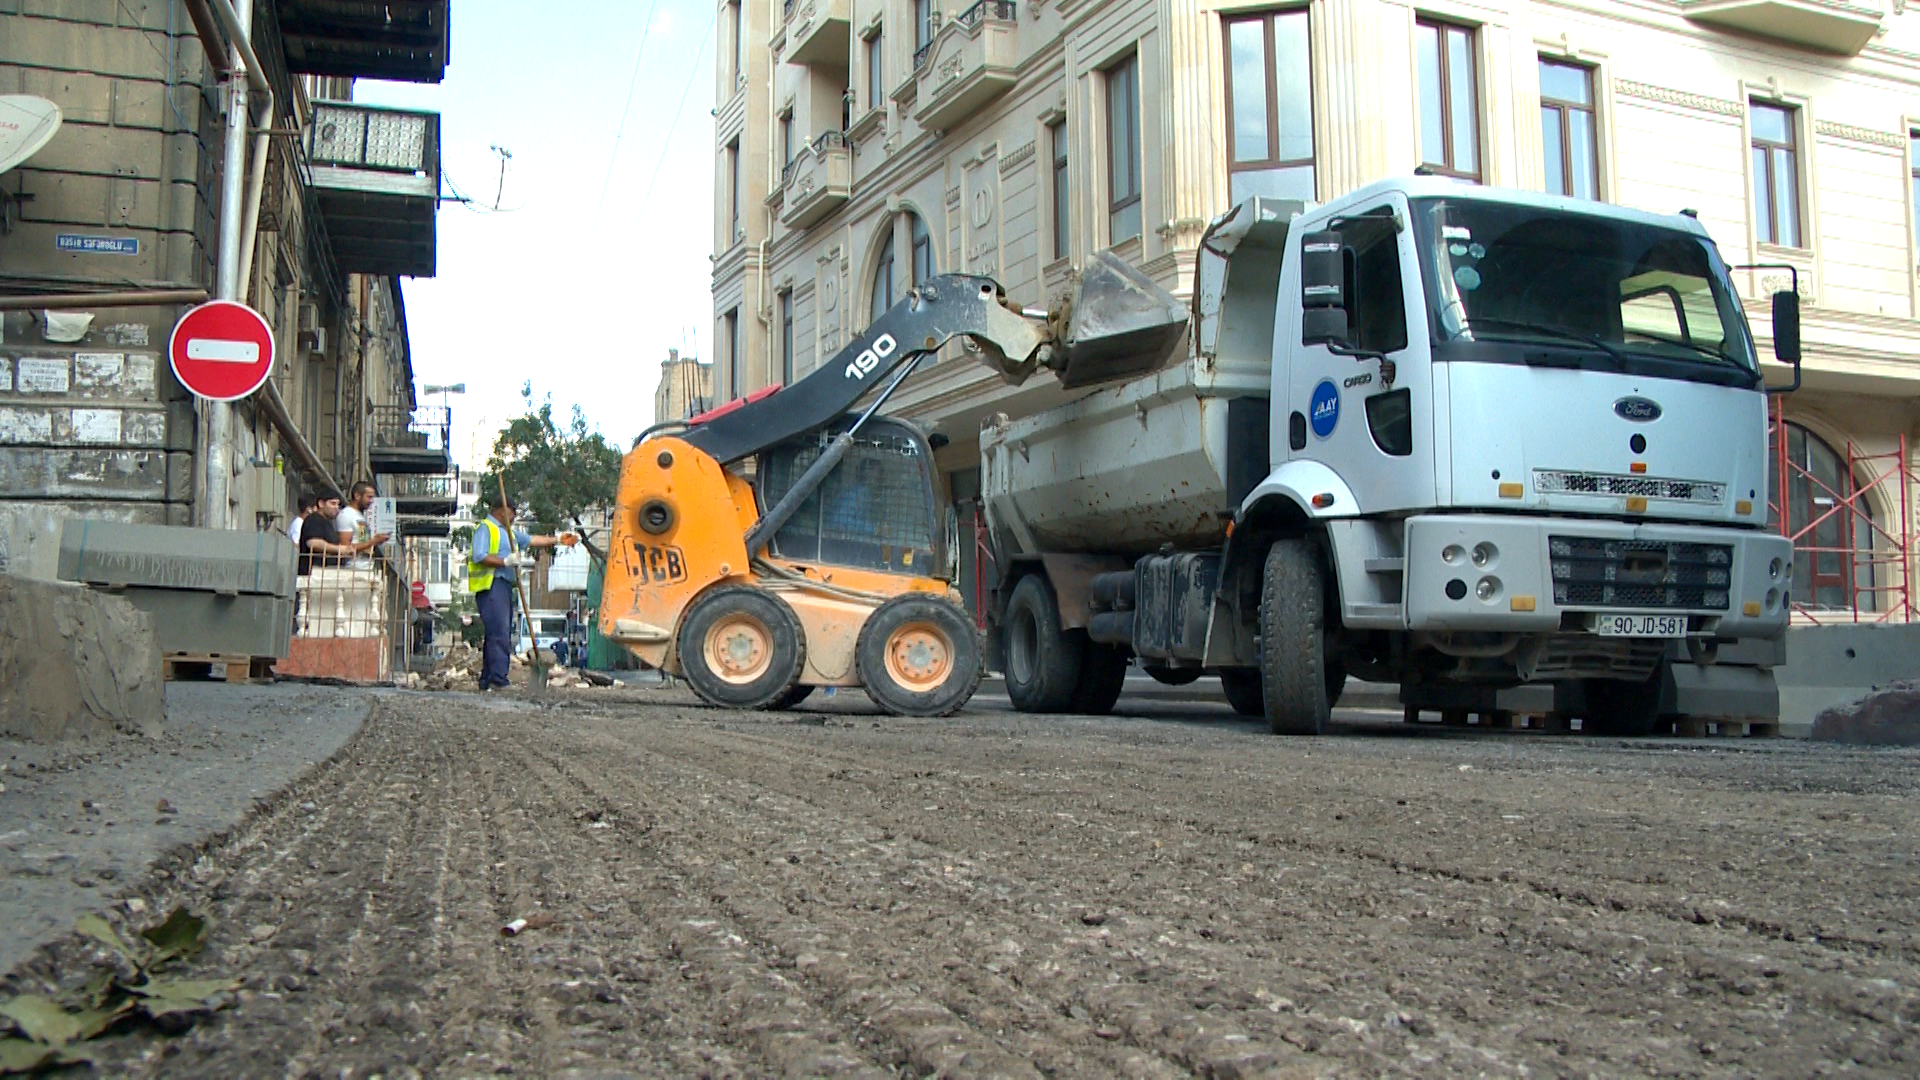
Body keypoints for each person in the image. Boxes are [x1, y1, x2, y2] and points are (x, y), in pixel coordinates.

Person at [468, 492, 577, 692]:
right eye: (512, 513)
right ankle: (498, 680)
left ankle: (487, 679)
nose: (514, 517)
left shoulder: (507, 533)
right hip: (491, 585)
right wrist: (505, 561)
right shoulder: (485, 528)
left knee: (497, 633)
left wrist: (558, 539)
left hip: (504, 586)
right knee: (499, 633)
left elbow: (531, 540)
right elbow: (479, 555)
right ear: (502, 511)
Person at [333, 481, 391, 568]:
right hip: (353, 568)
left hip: (366, 567)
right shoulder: (346, 515)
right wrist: (373, 541)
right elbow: (345, 548)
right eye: (369, 497)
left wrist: (377, 540)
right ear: (357, 496)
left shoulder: (359, 515)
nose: (371, 501)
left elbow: (363, 541)